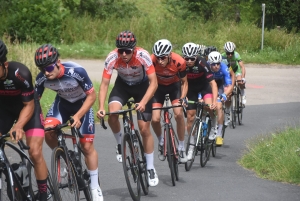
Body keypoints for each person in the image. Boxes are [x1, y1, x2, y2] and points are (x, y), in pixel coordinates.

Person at [34, 44, 103, 201]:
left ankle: (94, 185)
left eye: (50, 67)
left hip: (82, 103)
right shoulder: (42, 78)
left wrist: (78, 116)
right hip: (63, 104)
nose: (46, 72)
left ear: (58, 62)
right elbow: (34, 103)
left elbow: (91, 96)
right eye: (42, 68)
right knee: (48, 131)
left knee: (86, 146)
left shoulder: (76, 71)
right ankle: (65, 156)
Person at [97, 30, 159, 187]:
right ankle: (120, 143)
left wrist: (144, 101)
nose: (124, 54)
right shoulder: (112, 57)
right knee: (113, 114)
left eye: (127, 51)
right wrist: (101, 107)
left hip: (142, 87)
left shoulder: (143, 55)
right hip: (122, 87)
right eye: (120, 50)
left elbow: (154, 83)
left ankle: (151, 167)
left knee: (144, 129)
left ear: (134, 49)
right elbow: (104, 84)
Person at [0, 40, 49, 201]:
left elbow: (28, 105)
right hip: (4, 110)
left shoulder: (20, 73)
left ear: (5, 64)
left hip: (27, 107)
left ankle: (43, 194)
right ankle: (12, 174)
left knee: (34, 151)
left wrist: (19, 125)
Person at [151, 39, 188, 163]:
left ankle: (181, 147)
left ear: (169, 55)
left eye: (163, 57)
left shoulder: (179, 62)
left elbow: (184, 83)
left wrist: (182, 98)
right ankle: (161, 142)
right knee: (155, 118)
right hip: (158, 88)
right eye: (158, 57)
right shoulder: (151, 61)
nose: (160, 60)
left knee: (178, 114)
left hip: (174, 87)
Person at [181, 42, 218, 160]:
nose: (189, 61)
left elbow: (213, 83)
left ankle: (214, 123)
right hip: (190, 89)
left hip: (204, 87)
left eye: (192, 58)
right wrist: (183, 97)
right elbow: (180, 83)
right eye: (187, 58)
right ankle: (191, 147)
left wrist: (215, 101)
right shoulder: (182, 64)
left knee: (208, 106)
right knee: (190, 117)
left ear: (196, 56)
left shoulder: (203, 63)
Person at [207, 51, 233, 146]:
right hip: (208, 85)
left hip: (220, 84)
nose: (216, 66)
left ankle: (219, 134)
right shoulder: (206, 67)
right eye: (213, 64)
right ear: (209, 63)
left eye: (218, 63)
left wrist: (225, 94)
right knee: (205, 105)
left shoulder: (224, 68)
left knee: (219, 107)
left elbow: (229, 85)